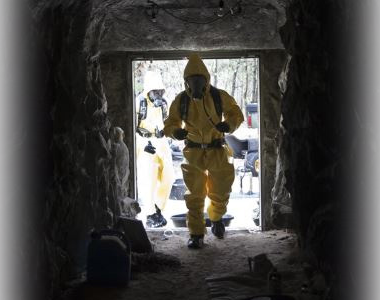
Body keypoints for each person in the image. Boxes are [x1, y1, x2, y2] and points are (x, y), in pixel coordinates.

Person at [163, 53, 244, 248]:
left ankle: (216, 217)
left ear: (206, 80)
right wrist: (176, 132)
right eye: (193, 80)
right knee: (195, 194)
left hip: (217, 150)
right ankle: (196, 233)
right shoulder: (181, 100)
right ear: (187, 81)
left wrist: (228, 125)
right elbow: (170, 122)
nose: (196, 83)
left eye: (200, 79)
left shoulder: (218, 96)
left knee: (221, 190)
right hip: (193, 153)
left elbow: (235, 113)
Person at [136, 71, 175, 228]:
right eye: (155, 91)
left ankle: (159, 209)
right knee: (149, 180)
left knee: (169, 177)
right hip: (145, 143)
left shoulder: (164, 104)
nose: (158, 94)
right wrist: (143, 143)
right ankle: (150, 214)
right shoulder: (139, 103)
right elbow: (132, 126)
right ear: (148, 91)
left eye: (160, 91)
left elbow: (168, 123)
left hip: (162, 142)